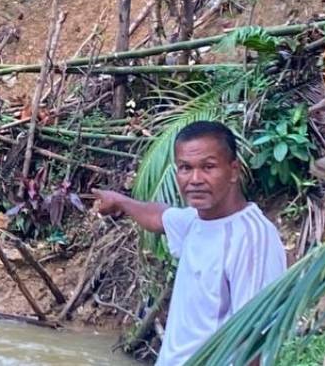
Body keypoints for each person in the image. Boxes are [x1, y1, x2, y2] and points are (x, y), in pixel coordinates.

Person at [93, 120, 286, 366]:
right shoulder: (195, 221)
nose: (195, 179)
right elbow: (157, 216)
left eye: (208, 167)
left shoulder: (251, 239)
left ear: (234, 170)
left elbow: (253, 338)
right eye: (185, 167)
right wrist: (119, 201)